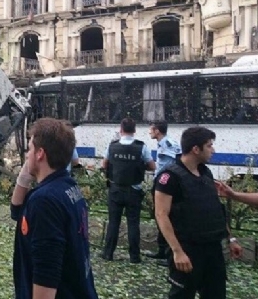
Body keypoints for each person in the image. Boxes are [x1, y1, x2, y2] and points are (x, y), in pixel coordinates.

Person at [11, 117, 98, 299]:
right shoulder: (67, 187)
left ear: (40, 153)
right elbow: (16, 211)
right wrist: (24, 177)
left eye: (29, 149)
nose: (27, 155)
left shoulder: (45, 201)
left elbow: (46, 273)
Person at [154, 126, 243, 299]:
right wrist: (177, 251)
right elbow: (161, 215)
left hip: (212, 250)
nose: (213, 150)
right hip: (187, 249)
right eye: (209, 146)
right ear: (196, 149)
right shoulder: (169, 177)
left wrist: (230, 239)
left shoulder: (205, 173)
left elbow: (215, 210)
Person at [102, 118, 156, 263]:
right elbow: (152, 166)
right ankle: (134, 257)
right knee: (133, 223)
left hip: (115, 190)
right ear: (134, 130)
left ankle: (108, 254)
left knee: (113, 222)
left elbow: (105, 164)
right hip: (134, 191)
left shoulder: (112, 146)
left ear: (121, 129)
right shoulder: (141, 147)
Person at [147, 120, 182, 262]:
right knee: (160, 216)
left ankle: (168, 253)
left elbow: (171, 165)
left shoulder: (167, 144)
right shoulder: (164, 143)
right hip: (163, 183)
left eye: (151, 129)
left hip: (164, 185)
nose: (149, 132)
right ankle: (162, 250)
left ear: (157, 131)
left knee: (164, 216)